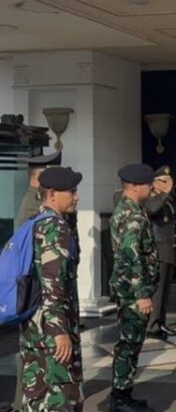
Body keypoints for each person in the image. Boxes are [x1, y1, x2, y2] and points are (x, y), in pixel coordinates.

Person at [18, 167, 84, 411]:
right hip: (51, 333)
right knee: (61, 398)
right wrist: (59, 332)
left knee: (36, 397)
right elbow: (53, 282)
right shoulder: (55, 228)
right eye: (71, 192)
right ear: (53, 194)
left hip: (33, 328)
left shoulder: (35, 223)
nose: (76, 197)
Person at [109, 164, 158, 412]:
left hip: (128, 289)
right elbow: (132, 255)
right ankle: (120, 398)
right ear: (136, 186)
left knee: (131, 343)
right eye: (148, 184)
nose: (151, 188)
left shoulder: (130, 209)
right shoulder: (132, 216)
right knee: (129, 344)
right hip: (132, 292)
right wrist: (142, 294)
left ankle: (123, 394)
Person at [144, 166, 176, 340]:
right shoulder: (150, 198)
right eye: (164, 181)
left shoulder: (166, 199)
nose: (168, 184)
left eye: (169, 181)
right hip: (157, 250)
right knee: (157, 291)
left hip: (168, 249)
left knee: (165, 290)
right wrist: (165, 193)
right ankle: (152, 326)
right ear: (154, 183)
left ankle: (161, 322)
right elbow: (152, 210)